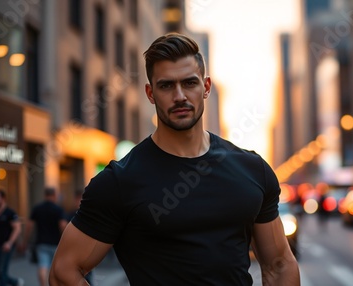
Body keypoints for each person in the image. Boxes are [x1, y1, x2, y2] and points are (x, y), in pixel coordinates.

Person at [49, 32, 300, 285]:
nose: (179, 96)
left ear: (206, 87)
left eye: (190, 83)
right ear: (150, 93)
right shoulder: (120, 181)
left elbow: (279, 265)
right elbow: (64, 272)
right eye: (166, 85)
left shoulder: (251, 170)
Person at [20, 187, 67, 286]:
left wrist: (25, 241)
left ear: (45, 195)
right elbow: (63, 226)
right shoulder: (58, 209)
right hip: (56, 244)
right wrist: (66, 242)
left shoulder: (37, 208)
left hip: (41, 243)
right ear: (54, 195)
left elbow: (29, 226)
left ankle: (43, 285)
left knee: (42, 266)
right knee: (56, 269)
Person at [0, 189, 24, 286]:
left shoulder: (10, 213)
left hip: (6, 246)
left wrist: (10, 243)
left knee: (2, 271)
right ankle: (14, 282)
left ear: (3, 198)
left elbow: (17, 229)